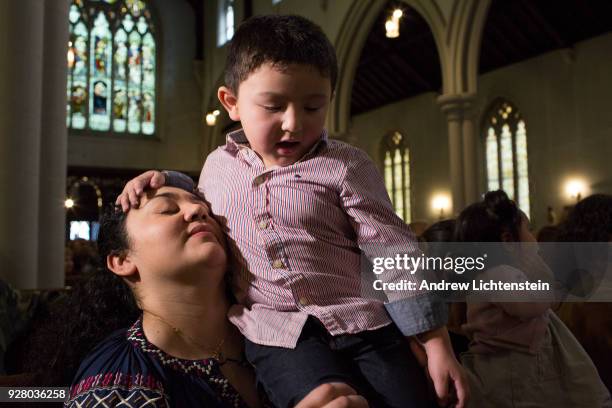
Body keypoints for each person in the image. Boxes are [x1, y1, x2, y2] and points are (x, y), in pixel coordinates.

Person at [118, 14, 467, 408]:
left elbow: (393, 250)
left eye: (313, 106)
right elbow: (192, 195)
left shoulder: (345, 165)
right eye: (274, 105)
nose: (294, 123)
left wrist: (436, 343)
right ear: (231, 102)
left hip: (365, 324)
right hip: (278, 333)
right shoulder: (218, 166)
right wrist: (157, 178)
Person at [64, 185, 367, 408]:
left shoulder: (286, 334)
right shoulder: (119, 383)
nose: (198, 211)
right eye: (167, 209)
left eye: (204, 208)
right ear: (122, 261)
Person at [455, 190, 611, 407]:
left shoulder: (502, 273)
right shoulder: (499, 274)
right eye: (527, 230)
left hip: (519, 356)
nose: (533, 237)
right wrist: (544, 278)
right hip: (510, 363)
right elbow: (528, 305)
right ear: (508, 241)